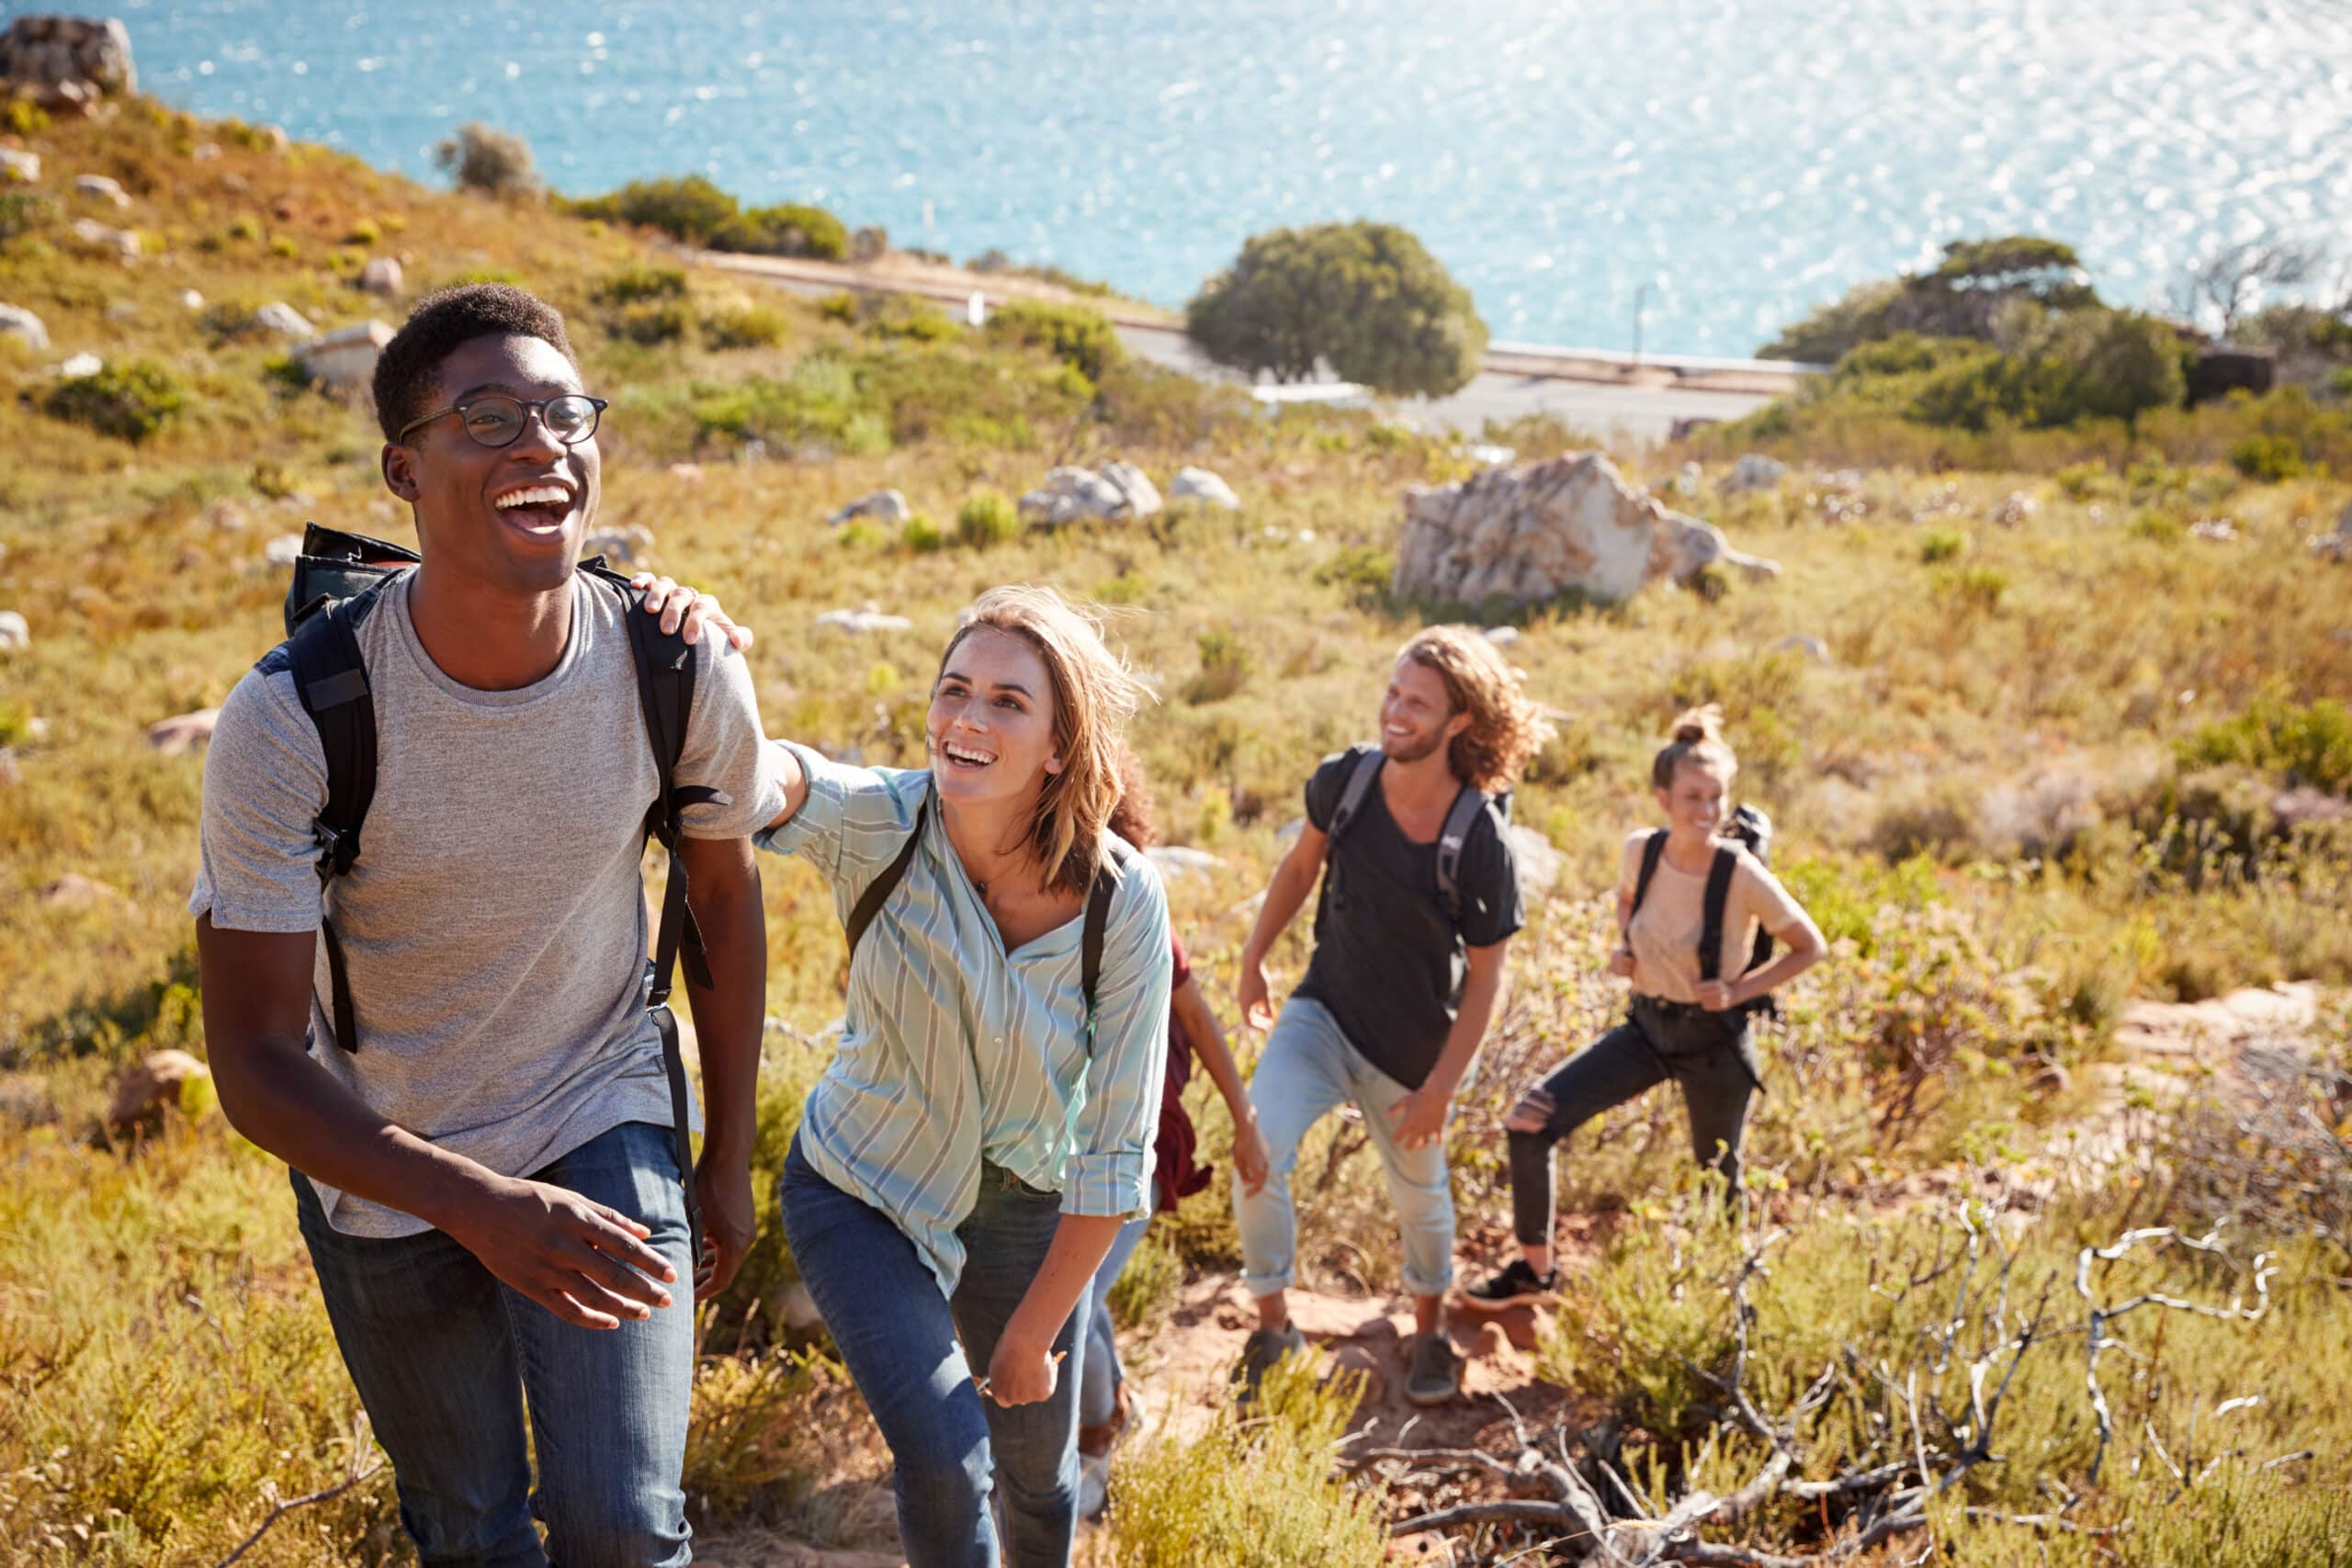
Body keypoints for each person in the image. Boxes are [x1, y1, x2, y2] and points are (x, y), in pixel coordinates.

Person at [192, 284, 780, 1566]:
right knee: (469, 1527)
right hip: (382, 1150)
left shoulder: (676, 665)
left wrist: (726, 1153)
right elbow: (250, 1057)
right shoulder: (295, 718)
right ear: (404, 470)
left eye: (564, 411)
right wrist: (475, 1201)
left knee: (626, 1525)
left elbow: (725, 908)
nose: (540, 442)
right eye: (489, 416)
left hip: (596, 1101)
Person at [749, 584, 1173, 1568]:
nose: (968, 721)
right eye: (955, 691)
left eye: (1008, 702)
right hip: (860, 1188)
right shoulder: (883, 823)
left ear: (1061, 745)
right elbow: (780, 778)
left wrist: (1033, 1331)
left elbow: (1113, 1151)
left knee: (1037, 1474)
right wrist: (717, 680)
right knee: (944, 1454)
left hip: (1029, 1207)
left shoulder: (1122, 903)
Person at [1229, 626, 1550, 1408]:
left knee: (1421, 1198)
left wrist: (1443, 1086)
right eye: (1394, 692)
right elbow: (1301, 865)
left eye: (1419, 703)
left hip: (1411, 1051)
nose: (1396, 711)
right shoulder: (1347, 780)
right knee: (1257, 1147)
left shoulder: (1480, 838)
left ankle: (1431, 1328)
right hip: (1322, 1012)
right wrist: (1253, 957)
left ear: (1461, 721)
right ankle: (1273, 1326)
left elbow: (1487, 978)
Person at [1462, 705, 1827, 1310]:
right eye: (1693, 796)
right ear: (1663, 796)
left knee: (1718, 1182)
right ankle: (1535, 1273)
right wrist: (1625, 943)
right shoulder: (1643, 850)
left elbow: (1810, 945)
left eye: (1717, 797)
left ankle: (1725, 1307)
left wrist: (1739, 990)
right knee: (1528, 1122)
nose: (1707, 811)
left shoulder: (1740, 872)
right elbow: (1626, 899)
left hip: (1714, 1044)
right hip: (1647, 1029)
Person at [1074, 753, 1272, 1517]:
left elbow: (1199, 1021)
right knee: (1064, 1293)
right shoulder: (1007, 892)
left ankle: (1097, 1435)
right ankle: (1114, 1397)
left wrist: (1247, 1120)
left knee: (1072, 1296)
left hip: (1138, 1145)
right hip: (1046, 1147)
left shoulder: (1128, 895)